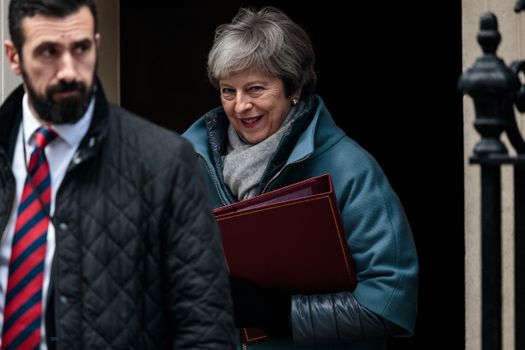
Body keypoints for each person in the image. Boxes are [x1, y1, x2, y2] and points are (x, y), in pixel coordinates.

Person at [0, 0, 236, 349]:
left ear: (96, 44)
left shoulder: (165, 162)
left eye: (80, 49)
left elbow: (206, 329)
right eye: (48, 52)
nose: (68, 70)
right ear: (14, 57)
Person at [182, 6, 419, 350]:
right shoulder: (189, 161)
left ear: (293, 87)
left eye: (256, 88)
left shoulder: (351, 168)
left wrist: (280, 314)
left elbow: (390, 303)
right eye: (228, 91)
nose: (240, 105)